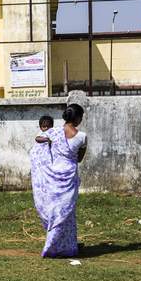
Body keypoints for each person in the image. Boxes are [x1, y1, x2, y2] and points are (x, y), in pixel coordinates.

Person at [32, 104, 87, 258]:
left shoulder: (53, 132)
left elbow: (37, 139)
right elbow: (80, 159)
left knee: (56, 211)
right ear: (77, 118)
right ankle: (60, 246)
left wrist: (48, 141)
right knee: (67, 212)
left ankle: (59, 246)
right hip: (69, 177)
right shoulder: (82, 137)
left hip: (53, 176)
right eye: (81, 116)